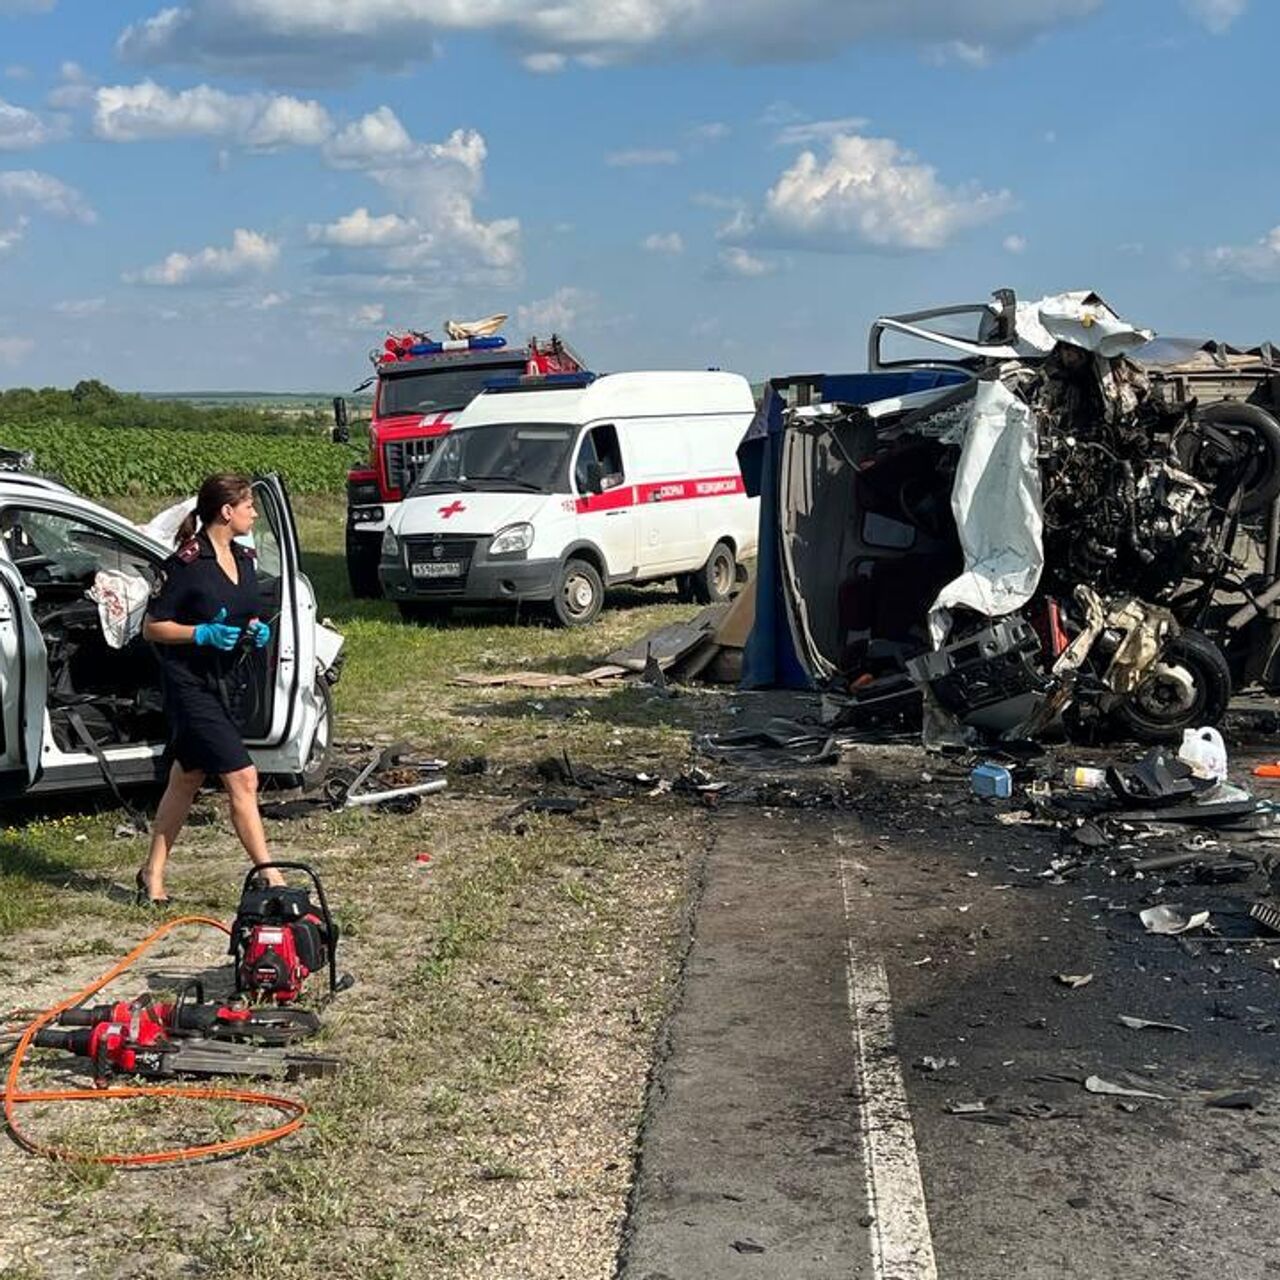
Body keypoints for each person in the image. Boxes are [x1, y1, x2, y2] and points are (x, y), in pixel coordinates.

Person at [136, 473, 278, 905]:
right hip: (190, 683)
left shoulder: (246, 558)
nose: (254, 512)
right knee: (243, 777)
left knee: (187, 778)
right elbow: (152, 628)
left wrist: (254, 633)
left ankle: (151, 874)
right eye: (249, 505)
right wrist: (199, 634)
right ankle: (272, 878)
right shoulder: (185, 565)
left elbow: (245, 613)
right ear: (226, 511)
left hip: (228, 680)